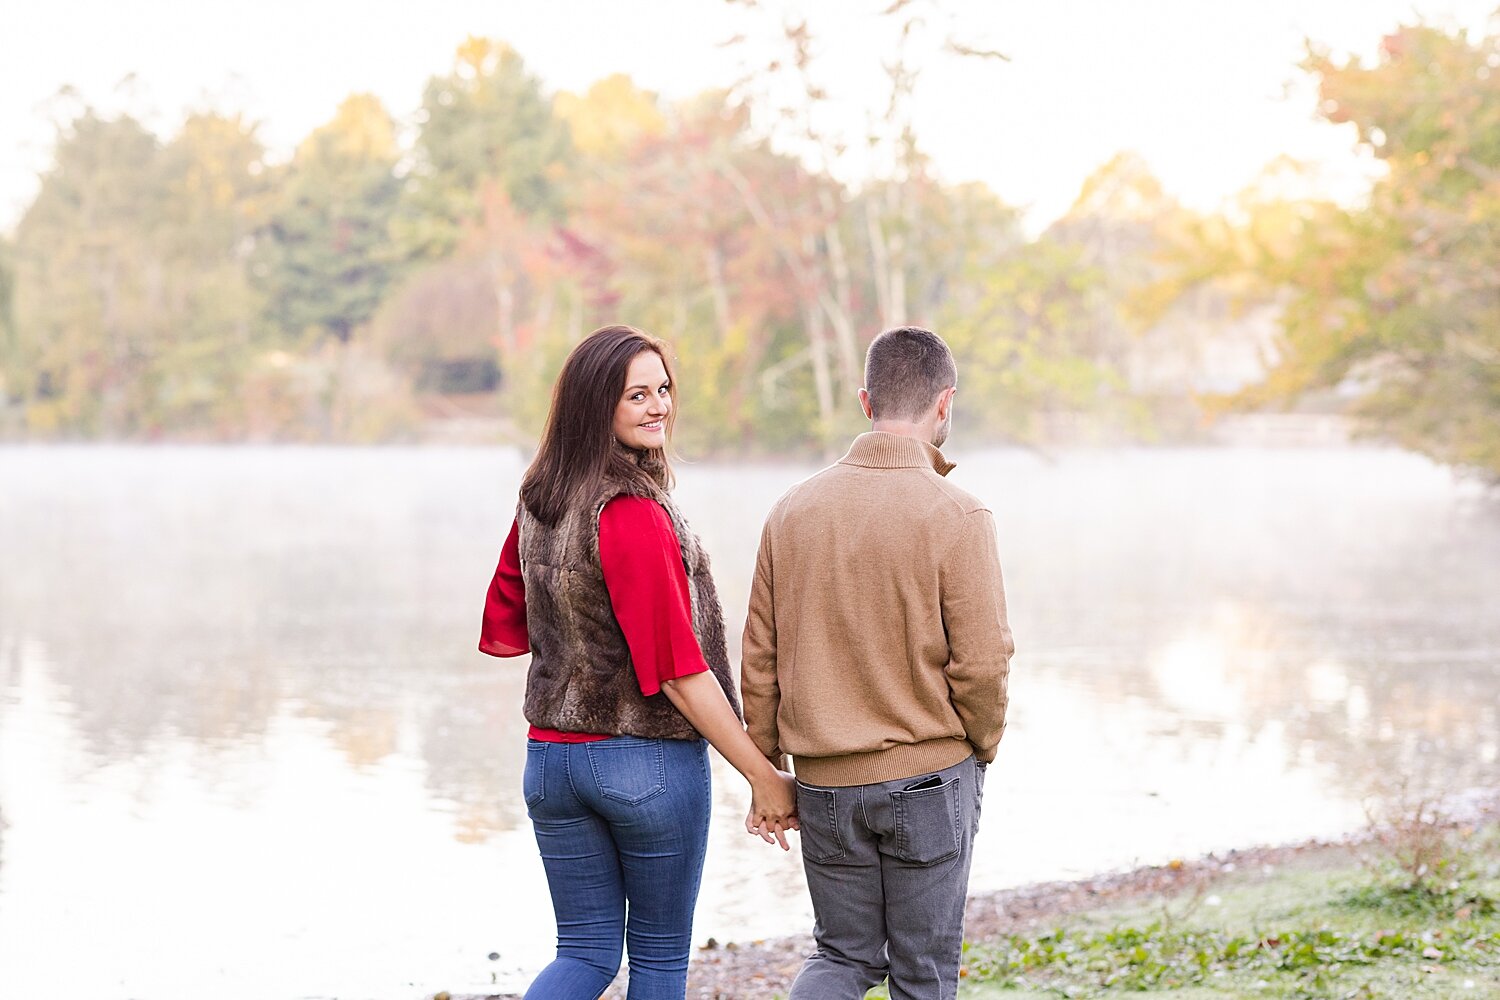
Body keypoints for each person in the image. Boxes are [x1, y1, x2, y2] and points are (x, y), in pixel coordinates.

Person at [479, 324, 799, 1000]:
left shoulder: (541, 499)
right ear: (598, 406)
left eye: (663, 390)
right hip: (642, 764)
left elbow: (510, 617)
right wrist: (762, 776)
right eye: (636, 395)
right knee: (655, 964)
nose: (659, 407)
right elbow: (680, 671)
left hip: (551, 763)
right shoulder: (630, 512)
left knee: (585, 954)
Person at [741, 326, 1015, 1000]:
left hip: (826, 785)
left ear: (866, 400)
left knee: (842, 958)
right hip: (929, 775)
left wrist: (768, 768)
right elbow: (983, 664)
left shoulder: (791, 512)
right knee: (923, 973)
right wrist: (980, 745)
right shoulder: (959, 514)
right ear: (944, 403)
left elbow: (759, 658)